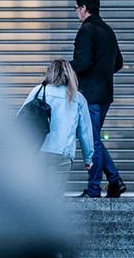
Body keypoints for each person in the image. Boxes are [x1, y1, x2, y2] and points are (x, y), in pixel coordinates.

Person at [71, 0, 127, 199]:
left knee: (92, 141)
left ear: (84, 8)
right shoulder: (107, 30)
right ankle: (114, 180)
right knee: (94, 138)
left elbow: (82, 63)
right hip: (105, 94)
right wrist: (102, 72)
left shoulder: (86, 30)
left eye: (77, 8)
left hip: (90, 95)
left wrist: (63, 68)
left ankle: (94, 189)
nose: (76, 12)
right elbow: (119, 63)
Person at [20, 58, 95, 190]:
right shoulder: (77, 98)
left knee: (35, 195)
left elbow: (21, 119)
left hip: (37, 151)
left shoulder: (37, 91)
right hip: (62, 154)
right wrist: (88, 159)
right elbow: (85, 133)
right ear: (70, 74)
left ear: (50, 72)